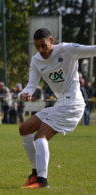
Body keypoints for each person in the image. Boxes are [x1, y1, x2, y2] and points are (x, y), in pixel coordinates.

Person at [18, 28, 90, 189]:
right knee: (24, 128)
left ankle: (42, 181)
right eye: (37, 46)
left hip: (73, 103)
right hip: (61, 103)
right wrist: (22, 95)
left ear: (51, 40)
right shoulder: (36, 60)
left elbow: (93, 50)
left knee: (40, 136)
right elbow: (31, 85)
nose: (41, 50)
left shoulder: (67, 49)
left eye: (43, 45)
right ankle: (35, 173)